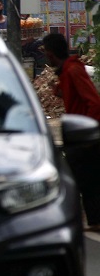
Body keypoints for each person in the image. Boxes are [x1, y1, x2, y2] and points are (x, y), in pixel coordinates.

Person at [42, 32, 100, 229]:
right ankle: (92, 220)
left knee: (78, 178)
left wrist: (89, 130)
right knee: (84, 178)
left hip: (83, 134)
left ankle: (84, 219)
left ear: (50, 55)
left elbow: (94, 102)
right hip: (79, 133)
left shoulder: (73, 70)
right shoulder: (67, 71)